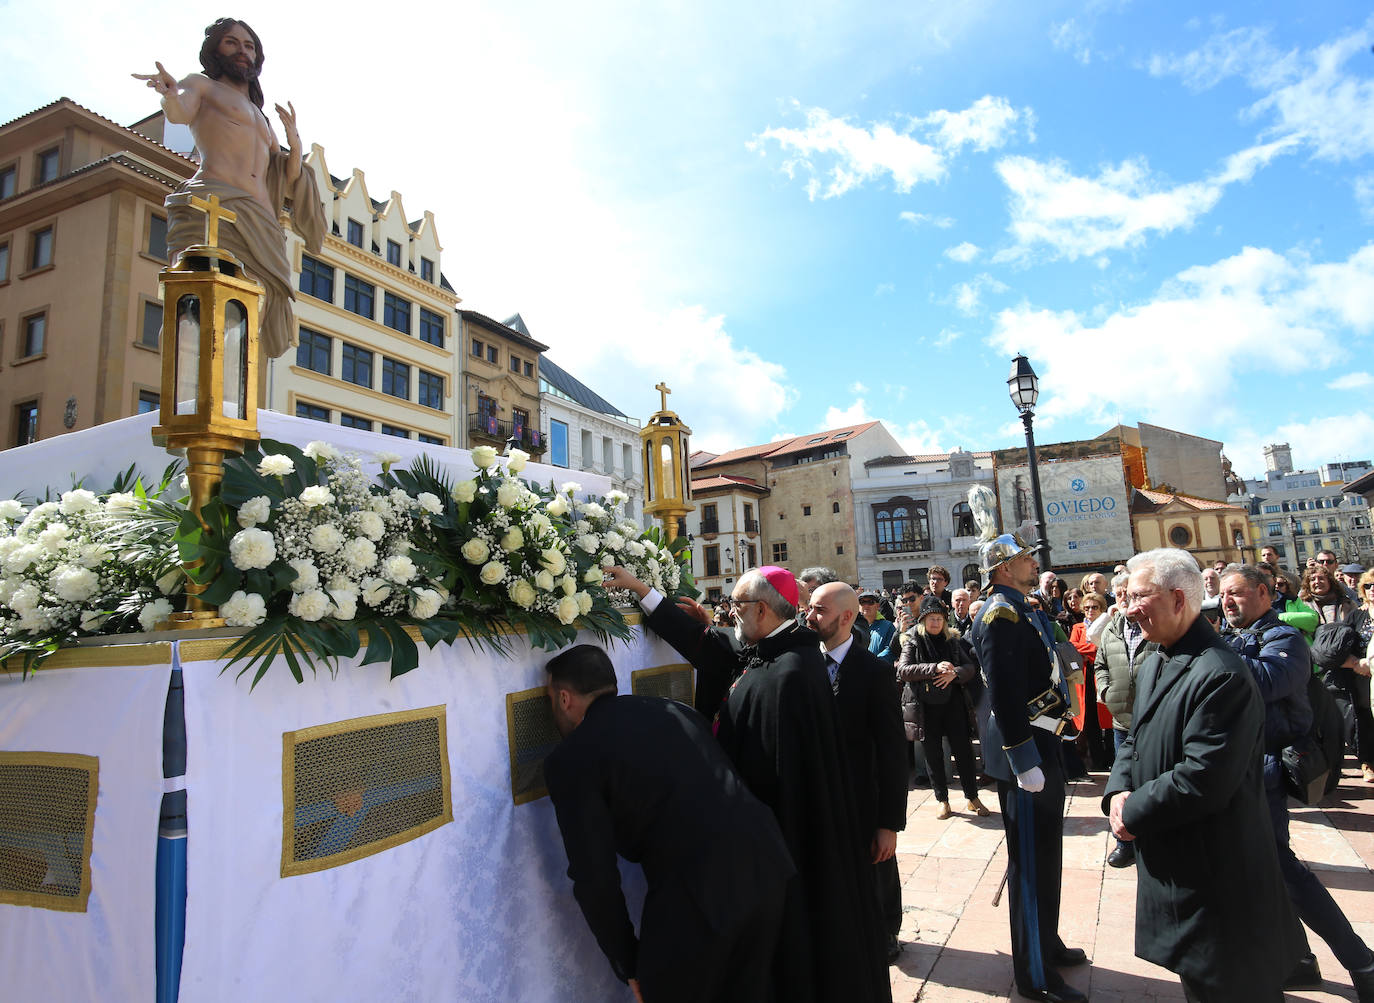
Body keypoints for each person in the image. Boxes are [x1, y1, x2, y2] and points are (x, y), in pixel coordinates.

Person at [604, 564, 892, 1003]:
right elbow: (709, 647)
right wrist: (644, 591)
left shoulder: (788, 675)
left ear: (761, 609)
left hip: (780, 852)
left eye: (735, 605)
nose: (729, 613)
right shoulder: (772, 652)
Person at [543, 645, 794, 1003]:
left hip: (701, 892)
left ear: (564, 698)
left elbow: (594, 876)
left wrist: (630, 964)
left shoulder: (572, 757)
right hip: (767, 864)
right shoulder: (673, 709)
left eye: (549, 699)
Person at [1105, 550, 1300, 1002]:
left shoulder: (1221, 674)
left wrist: (1131, 810)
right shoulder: (1156, 658)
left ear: (1177, 599)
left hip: (1218, 878)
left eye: (1139, 598)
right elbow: (1134, 738)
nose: (1128, 610)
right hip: (1178, 862)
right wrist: (1118, 790)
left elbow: (1203, 777)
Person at [1219, 564, 1374, 999]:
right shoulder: (1233, 638)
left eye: (1238, 593)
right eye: (1223, 595)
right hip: (1242, 768)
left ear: (1266, 594)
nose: (1228, 601)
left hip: (1268, 767)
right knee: (1268, 868)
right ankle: (1299, 959)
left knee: (1283, 869)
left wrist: (1214, 653)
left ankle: (1361, 960)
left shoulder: (1283, 638)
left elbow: (1265, 683)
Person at [133, 19, 325, 358]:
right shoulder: (201, 86)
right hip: (215, 200)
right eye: (232, 43)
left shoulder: (262, 118)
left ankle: (230, 392)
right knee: (199, 302)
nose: (242, 51)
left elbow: (287, 178)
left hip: (261, 219)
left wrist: (294, 143)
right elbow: (179, 112)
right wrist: (168, 92)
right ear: (215, 51)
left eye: (248, 46)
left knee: (254, 309)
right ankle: (190, 384)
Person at [968, 496, 1088, 1003]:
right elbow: (1003, 691)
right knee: (1030, 863)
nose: (1035, 563)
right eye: (1026, 558)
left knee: (1048, 854)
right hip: (1026, 752)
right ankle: (1034, 973)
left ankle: (1048, 940)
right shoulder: (1000, 616)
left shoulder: (1024, 607)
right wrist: (1023, 761)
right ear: (1004, 567)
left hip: (1047, 738)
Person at [806, 583, 908, 961]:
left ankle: (886, 931)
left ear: (846, 617)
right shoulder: (803, 666)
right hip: (821, 799)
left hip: (864, 800)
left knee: (878, 868)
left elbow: (892, 752)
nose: (810, 617)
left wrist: (888, 824)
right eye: (810, 608)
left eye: (819, 610)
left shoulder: (874, 672)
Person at [896, 596, 990, 820]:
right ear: (923, 620)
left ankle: (972, 797)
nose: (936, 623)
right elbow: (904, 670)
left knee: (964, 752)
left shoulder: (953, 641)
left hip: (953, 705)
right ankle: (942, 800)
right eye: (931, 619)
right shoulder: (913, 641)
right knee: (933, 754)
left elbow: (970, 668)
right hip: (925, 707)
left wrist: (954, 674)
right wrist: (935, 668)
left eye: (939, 619)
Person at [859, 591, 897, 664]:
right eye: (862, 602)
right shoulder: (853, 627)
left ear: (877, 606)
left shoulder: (888, 626)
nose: (866, 605)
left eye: (870, 602)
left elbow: (891, 649)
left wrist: (873, 663)